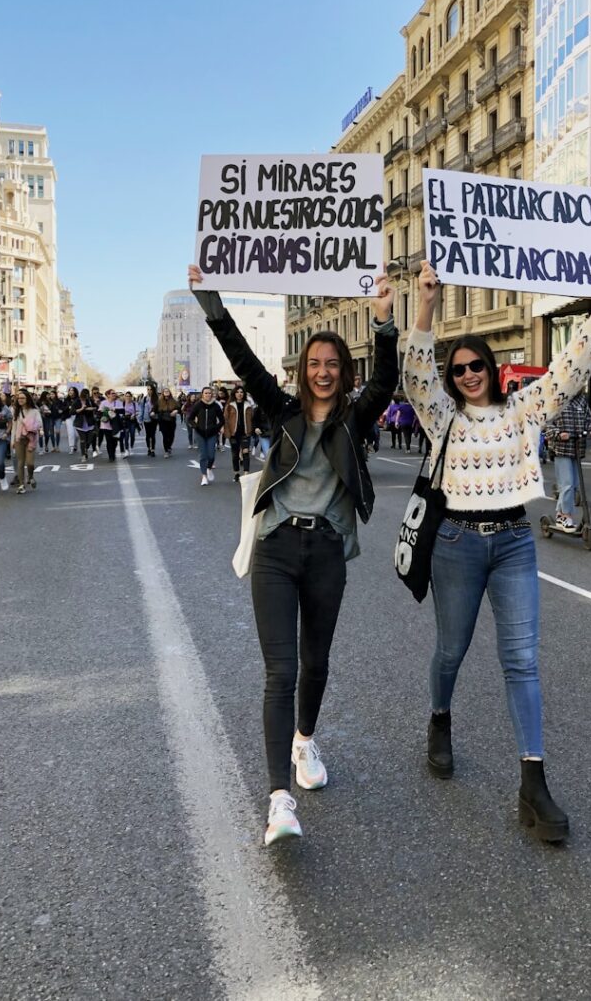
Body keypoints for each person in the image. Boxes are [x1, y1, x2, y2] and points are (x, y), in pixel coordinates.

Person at [403, 260, 591, 843]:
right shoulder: (442, 417)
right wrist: (426, 305)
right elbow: (416, 376)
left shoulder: (522, 411)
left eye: (476, 366)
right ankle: (440, 718)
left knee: (522, 661)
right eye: (458, 369)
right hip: (455, 543)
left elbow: (568, 373)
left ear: (491, 369)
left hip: (514, 544)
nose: (468, 375)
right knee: (450, 650)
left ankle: (533, 782)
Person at [187, 263, 398, 847]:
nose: (322, 372)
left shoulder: (355, 419)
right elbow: (243, 360)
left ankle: (305, 740)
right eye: (314, 364)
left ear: (343, 372)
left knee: (316, 661)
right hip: (276, 549)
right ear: (302, 371)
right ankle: (279, 798)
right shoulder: (283, 412)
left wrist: (384, 321)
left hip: (326, 550)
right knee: (280, 671)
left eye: (332, 364)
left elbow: (385, 380)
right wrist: (210, 299)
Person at [545, 390, 591, 532]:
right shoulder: (557, 399)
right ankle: (566, 516)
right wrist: (558, 434)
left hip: (577, 448)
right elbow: (547, 424)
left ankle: (560, 514)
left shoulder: (582, 401)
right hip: (561, 448)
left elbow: (588, 421)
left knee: (573, 485)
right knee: (567, 484)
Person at [187, 385, 224, 486]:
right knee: (203, 455)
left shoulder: (215, 406)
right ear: (202, 395)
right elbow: (190, 419)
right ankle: (204, 476)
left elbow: (222, 420)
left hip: (212, 434)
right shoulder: (198, 405)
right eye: (206, 393)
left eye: (209, 393)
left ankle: (209, 468)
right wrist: (196, 426)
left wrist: (216, 428)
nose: (208, 395)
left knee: (211, 455)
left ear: (212, 394)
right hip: (200, 433)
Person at [11, 388, 42, 493]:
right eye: (19, 398)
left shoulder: (35, 411)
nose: (20, 400)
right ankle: (21, 485)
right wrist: (12, 441)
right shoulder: (16, 411)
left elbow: (39, 423)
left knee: (30, 463)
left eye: (23, 398)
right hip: (19, 439)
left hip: (31, 439)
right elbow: (14, 427)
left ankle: (31, 476)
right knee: (20, 462)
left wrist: (37, 429)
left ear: (27, 399)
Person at [225, 383, 253, 481]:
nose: (239, 394)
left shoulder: (248, 405)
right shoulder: (230, 405)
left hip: (245, 433)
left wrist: (251, 430)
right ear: (234, 394)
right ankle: (236, 473)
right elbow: (226, 419)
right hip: (234, 433)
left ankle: (246, 474)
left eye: (241, 392)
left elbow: (252, 418)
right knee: (235, 454)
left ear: (244, 394)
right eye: (237, 392)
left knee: (245, 453)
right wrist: (227, 432)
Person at [98, 389, 124, 463]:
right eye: (112, 393)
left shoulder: (118, 402)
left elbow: (123, 411)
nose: (114, 394)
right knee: (109, 440)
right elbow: (99, 412)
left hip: (115, 425)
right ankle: (111, 456)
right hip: (106, 425)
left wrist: (115, 410)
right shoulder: (103, 403)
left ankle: (113, 451)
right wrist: (105, 412)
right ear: (108, 395)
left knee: (114, 441)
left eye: (114, 393)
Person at [74, 388, 98, 462]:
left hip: (90, 423)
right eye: (84, 396)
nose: (85, 397)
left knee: (89, 440)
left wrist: (90, 408)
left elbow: (96, 407)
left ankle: (85, 449)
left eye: (87, 395)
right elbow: (72, 411)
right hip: (80, 424)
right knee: (83, 440)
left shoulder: (89, 401)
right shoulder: (77, 401)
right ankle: (83, 455)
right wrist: (81, 409)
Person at [157, 388, 179, 456]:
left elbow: (179, 408)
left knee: (171, 435)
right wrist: (152, 412)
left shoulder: (173, 401)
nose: (166, 392)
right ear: (163, 393)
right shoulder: (159, 401)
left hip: (171, 420)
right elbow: (154, 409)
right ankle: (166, 450)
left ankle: (169, 446)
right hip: (163, 421)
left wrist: (176, 411)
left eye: (167, 391)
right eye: (165, 391)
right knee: (165, 436)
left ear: (170, 392)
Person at [141, 385, 159, 457]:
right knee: (148, 435)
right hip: (146, 419)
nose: (149, 391)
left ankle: (153, 450)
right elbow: (141, 409)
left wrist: (155, 413)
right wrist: (140, 419)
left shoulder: (157, 398)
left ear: (153, 390)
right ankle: (148, 448)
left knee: (152, 434)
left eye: (150, 389)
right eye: (148, 389)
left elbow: (159, 408)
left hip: (154, 418)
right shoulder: (144, 399)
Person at [64, 386, 80, 453]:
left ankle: (75, 444)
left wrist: (74, 408)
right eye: (70, 390)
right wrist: (68, 407)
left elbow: (80, 407)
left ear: (75, 392)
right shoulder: (66, 399)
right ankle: (71, 447)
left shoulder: (78, 399)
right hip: (68, 417)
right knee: (70, 433)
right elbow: (63, 408)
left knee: (77, 434)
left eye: (72, 390)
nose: (71, 391)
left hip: (76, 417)